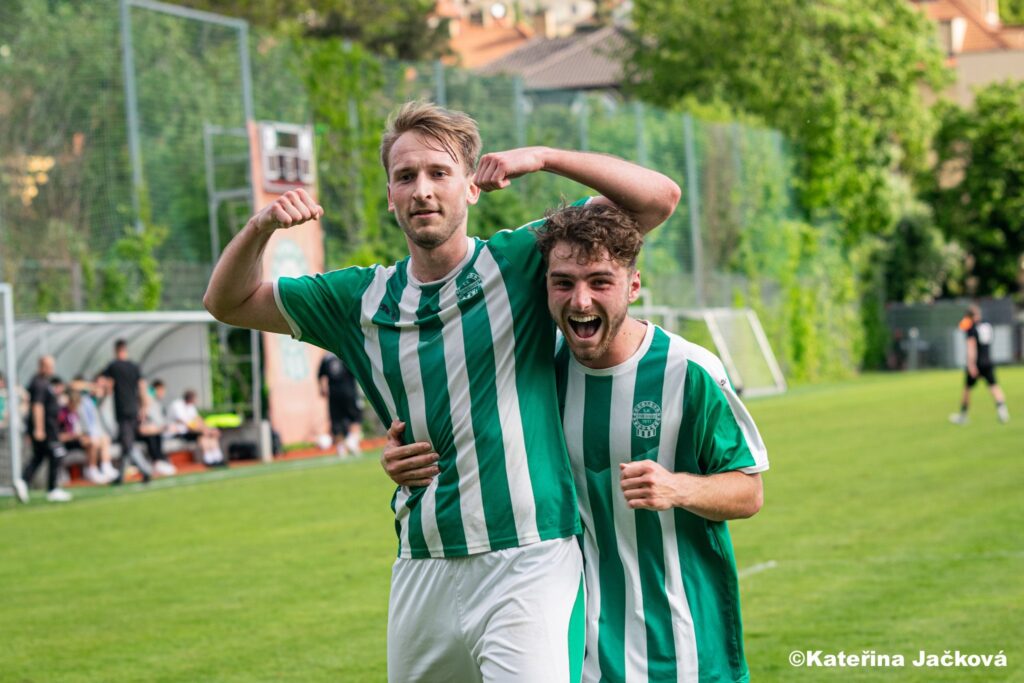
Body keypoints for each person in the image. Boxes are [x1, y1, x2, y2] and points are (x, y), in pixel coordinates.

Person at [204, 100, 680, 682]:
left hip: (528, 559)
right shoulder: (356, 300)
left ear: (471, 187)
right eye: (405, 176)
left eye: (439, 172)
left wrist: (543, 157)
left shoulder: (521, 259)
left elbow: (658, 199)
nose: (422, 190)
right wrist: (261, 228)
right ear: (390, 195)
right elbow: (226, 301)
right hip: (421, 562)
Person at [383, 204, 767, 682]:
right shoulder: (535, 373)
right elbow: (471, 440)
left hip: (684, 642)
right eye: (563, 282)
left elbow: (749, 490)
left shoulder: (688, 370)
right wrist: (404, 456)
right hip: (574, 642)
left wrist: (678, 488)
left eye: (600, 282)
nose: (581, 301)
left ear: (633, 286)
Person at [14, 356, 72, 503]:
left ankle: (23, 481)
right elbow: (37, 406)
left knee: (39, 456)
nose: (52, 369)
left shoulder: (45, 382)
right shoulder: (39, 383)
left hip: (49, 427)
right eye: (50, 366)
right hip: (46, 428)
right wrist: (39, 428)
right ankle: (53, 489)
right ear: (43, 366)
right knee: (57, 453)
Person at [99, 339, 153, 484]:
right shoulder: (134, 367)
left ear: (116, 350)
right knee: (126, 443)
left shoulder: (113, 366)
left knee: (127, 444)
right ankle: (120, 476)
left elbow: (106, 385)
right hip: (134, 409)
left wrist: (101, 396)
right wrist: (144, 408)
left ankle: (145, 470)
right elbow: (142, 388)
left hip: (122, 410)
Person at [949, 304, 1009, 424]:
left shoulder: (971, 327)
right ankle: (1003, 412)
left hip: (976, 362)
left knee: (967, 389)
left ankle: (963, 415)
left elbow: (971, 347)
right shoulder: (987, 324)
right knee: (994, 386)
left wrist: (971, 365)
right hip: (988, 360)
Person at [63, 379, 117, 484]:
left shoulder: (90, 401)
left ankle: (106, 466)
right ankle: (91, 470)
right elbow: (73, 385)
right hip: (74, 439)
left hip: (84, 435)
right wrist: (91, 386)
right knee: (94, 442)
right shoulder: (73, 407)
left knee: (105, 439)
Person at [318, 352, 363, 458]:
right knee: (351, 418)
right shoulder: (343, 353)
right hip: (347, 392)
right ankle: (349, 443)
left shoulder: (328, 357)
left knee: (341, 419)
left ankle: (345, 445)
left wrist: (322, 388)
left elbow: (321, 376)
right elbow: (321, 375)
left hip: (338, 393)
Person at [167, 389, 225, 467]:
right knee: (202, 436)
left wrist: (209, 429)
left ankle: (217, 458)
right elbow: (186, 424)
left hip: (190, 432)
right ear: (191, 398)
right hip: (178, 433)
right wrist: (204, 430)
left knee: (210, 436)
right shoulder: (177, 405)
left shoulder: (191, 406)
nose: (197, 401)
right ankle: (209, 460)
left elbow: (197, 419)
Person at [137, 379, 178, 476]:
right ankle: (157, 461)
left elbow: (160, 421)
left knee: (156, 432)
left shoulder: (156, 403)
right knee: (152, 432)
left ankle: (160, 460)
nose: (163, 393)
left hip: (155, 430)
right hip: (141, 431)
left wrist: (166, 426)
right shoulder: (146, 401)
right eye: (162, 390)